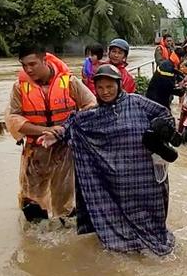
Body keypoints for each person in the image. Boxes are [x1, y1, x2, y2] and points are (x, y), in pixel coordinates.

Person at [39, 64, 176, 255]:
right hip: (114, 182)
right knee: (116, 221)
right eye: (100, 88)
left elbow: (165, 115)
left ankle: (155, 247)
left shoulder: (137, 102)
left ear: (119, 85)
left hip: (145, 179)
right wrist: (56, 135)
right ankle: (125, 248)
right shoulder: (93, 115)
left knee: (152, 220)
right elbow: (73, 124)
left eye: (110, 87)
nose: (105, 92)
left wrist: (158, 130)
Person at [5, 46, 96, 221]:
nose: (28, 69)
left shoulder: (69, 82)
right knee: (31, 200)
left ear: (45, 60)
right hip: (35, 151)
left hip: (64, 149)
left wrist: (65, 128)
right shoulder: (19, 87)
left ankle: (63, 235)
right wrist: (44, 130)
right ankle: (34, 241)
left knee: (64, 199)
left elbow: (91, 106)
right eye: (24, 66)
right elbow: (13, 119)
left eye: (33, 64)